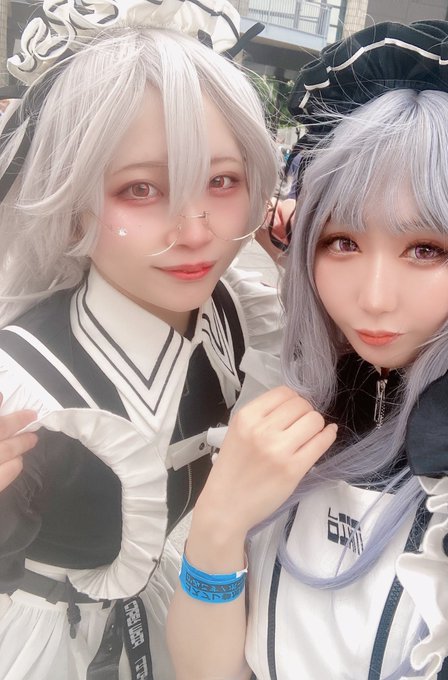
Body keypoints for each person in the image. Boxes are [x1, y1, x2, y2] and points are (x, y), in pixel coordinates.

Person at [167, 20, 448, 680]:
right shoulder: (296, 399)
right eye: (342, 242)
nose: (373, 299)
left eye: (426, 249)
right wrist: (217, 525)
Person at [0, 1, 281, 679]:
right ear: (70, 201)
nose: (195, 231)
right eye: (141, 188)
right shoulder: (24, 379)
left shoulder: (233, 306)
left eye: (221, 181)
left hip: (180, 611)